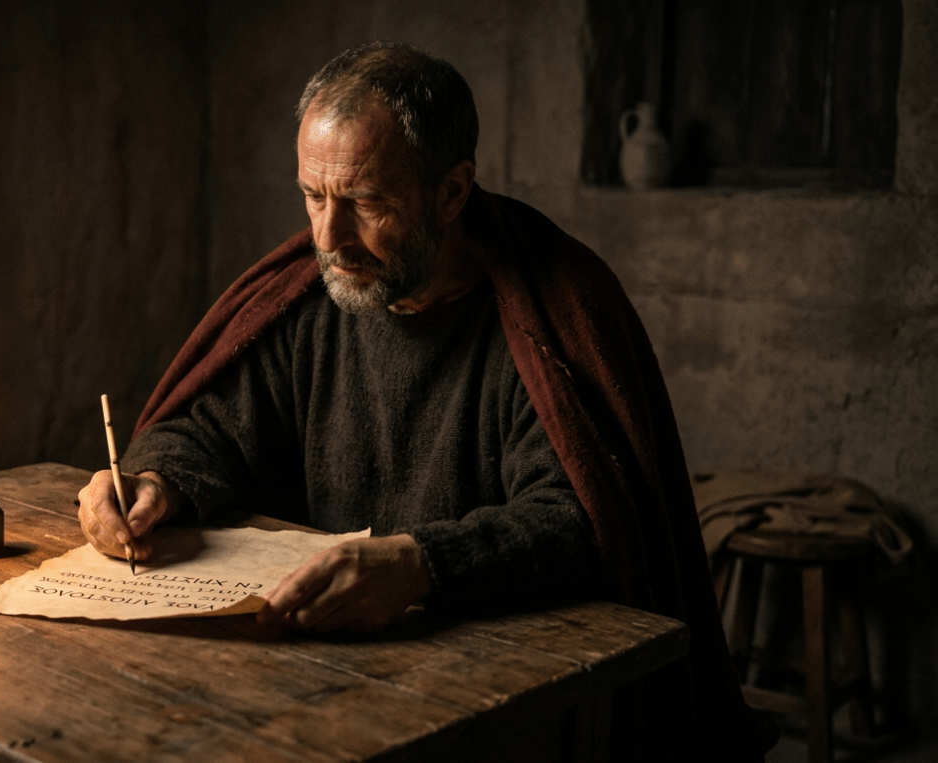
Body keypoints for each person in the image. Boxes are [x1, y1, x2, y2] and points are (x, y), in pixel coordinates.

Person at [77, 42, 766, 761]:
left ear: (451, 190)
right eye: (313, 197)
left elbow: (581, 519)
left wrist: (419, 564)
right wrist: (156, 481)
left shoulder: (547, 311)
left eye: (366, 202)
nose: (327, 237)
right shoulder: (314, 299)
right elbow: (213, 428)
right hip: (320, 676)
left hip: (503, 694)